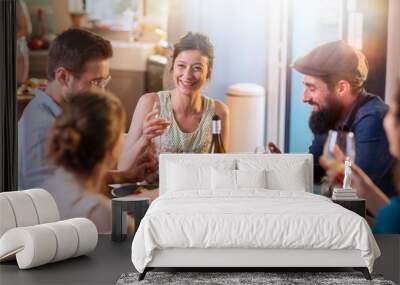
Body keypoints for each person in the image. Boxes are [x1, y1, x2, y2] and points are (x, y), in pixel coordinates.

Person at [18, 28, 153, 189]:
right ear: (63, 77)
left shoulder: (68, 113)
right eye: (95, 82)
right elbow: (45, 194)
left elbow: (73, 177)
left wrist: (126, 176)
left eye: (104, 82)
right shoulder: (40, 124)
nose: (102, 92)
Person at [268, 40, 396, 197]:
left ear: (341, 88)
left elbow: (354, 194)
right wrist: (284, 167)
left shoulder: (373, 120)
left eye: (311, 88)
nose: (304, 97)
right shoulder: (331, 114)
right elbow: (314, 170)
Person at [118, 32, 230, 171]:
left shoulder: (218, 112)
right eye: (181, 65)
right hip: (154, 191)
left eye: (197, 68)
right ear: (172, 68)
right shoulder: (149, 103)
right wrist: (144, 139)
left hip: (197, 191)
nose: (187, 75)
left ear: (208, 73)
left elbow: (222, 169)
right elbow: (122, 168)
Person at [41, 89, 144, 233]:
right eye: (121, 132)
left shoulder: (44, 189)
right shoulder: (104, 215)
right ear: (112, 147)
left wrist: (125, 175)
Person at [321, 84, 400, 233]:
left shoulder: (371, 116)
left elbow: (390, 231)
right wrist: (365, 190)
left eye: (393, 111)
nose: (386, 119)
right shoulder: (393, 213)